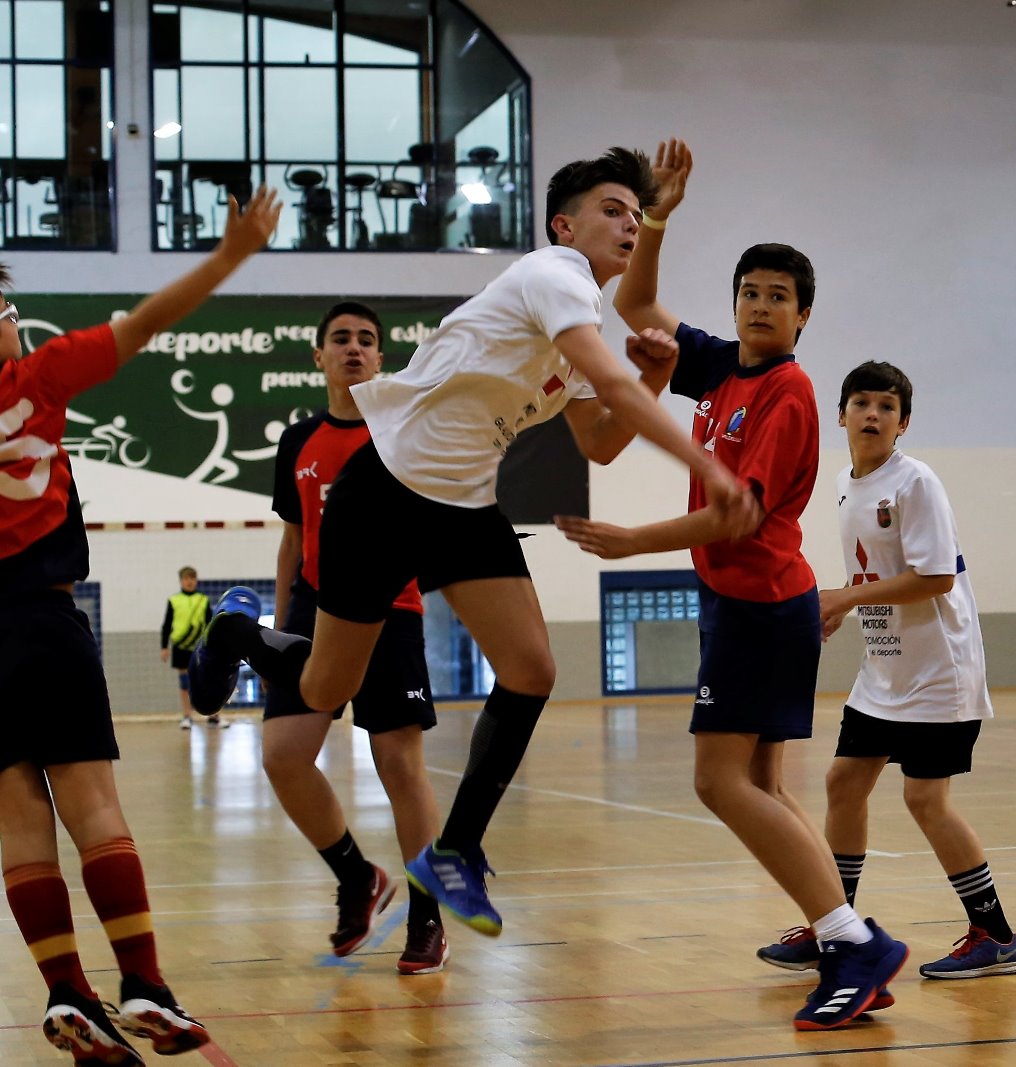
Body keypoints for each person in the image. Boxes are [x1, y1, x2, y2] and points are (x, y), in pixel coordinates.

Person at [187, 147, 754, 940]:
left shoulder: (579, 316)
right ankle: (235, 632)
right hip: (382, 493)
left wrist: (655, 379)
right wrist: (707, 464)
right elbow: (610, 386)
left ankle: (454, 849)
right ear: (565, 226)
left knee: (533, 667)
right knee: (321, 687)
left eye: (637, 214)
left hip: (461, 503)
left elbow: (598, 440)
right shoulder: (554, 273)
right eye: (612, 209)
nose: (629, 224)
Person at [556, 138, 907, 1032]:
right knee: (763, 785)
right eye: (749, 292)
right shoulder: (723, 367)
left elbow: (734, 517)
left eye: (778, 296)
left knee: (718, 782)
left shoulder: (787, 392)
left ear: (803, 315)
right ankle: (843, 936)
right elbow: (635, 303)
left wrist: (632, 542)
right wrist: (658, 217)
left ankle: (852, 941)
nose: (759, 304)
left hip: (762, 604)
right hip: (743, 604)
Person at [0, 186, 280, 1065]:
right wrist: (230, 255)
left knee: (19, 826)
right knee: (94, 809)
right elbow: (147, 322)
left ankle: (65, 992)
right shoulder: (35, 380)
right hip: (43, 622)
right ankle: (144, 983)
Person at [755, 360, 1016, 981]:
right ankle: (839, 929)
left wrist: (844, 598)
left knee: (924, 798)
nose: (872, 415)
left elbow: (936, 577)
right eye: (862, 403)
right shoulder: (846, 484)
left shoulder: (915, 482)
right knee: (843, 785)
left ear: (903, 423)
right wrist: (840, 609)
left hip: (939, 671)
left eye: (886, 407)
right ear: (841, 415)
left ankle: (997, 935)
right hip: (885, 668)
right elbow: (875, 572)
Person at [264, 301, 447, 973]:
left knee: (399, 764)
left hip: (390, 606)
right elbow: (292, 539)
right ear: (319, 356)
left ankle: (427, 916)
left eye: (366, 340)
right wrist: (282, 624)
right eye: (340, 338)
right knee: (282, 755)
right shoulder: (298, 440)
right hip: (313, 611)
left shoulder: (402, 431)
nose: (353, 348)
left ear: (380, 358)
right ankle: (355, 875)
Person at [160, 566, 222, 729]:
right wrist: (164, 646)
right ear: (181, 581)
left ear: (196, 580)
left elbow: (210, 624)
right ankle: (187, 716)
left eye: (192, 578)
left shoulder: (203, 600)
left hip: (200, 647)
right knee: (184, 682)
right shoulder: (174, 600)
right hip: (180, 646)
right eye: (186, 578)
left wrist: (213, 645)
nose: (189, 581)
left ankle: (213, 715)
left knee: (207, 681)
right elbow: (167, 624)